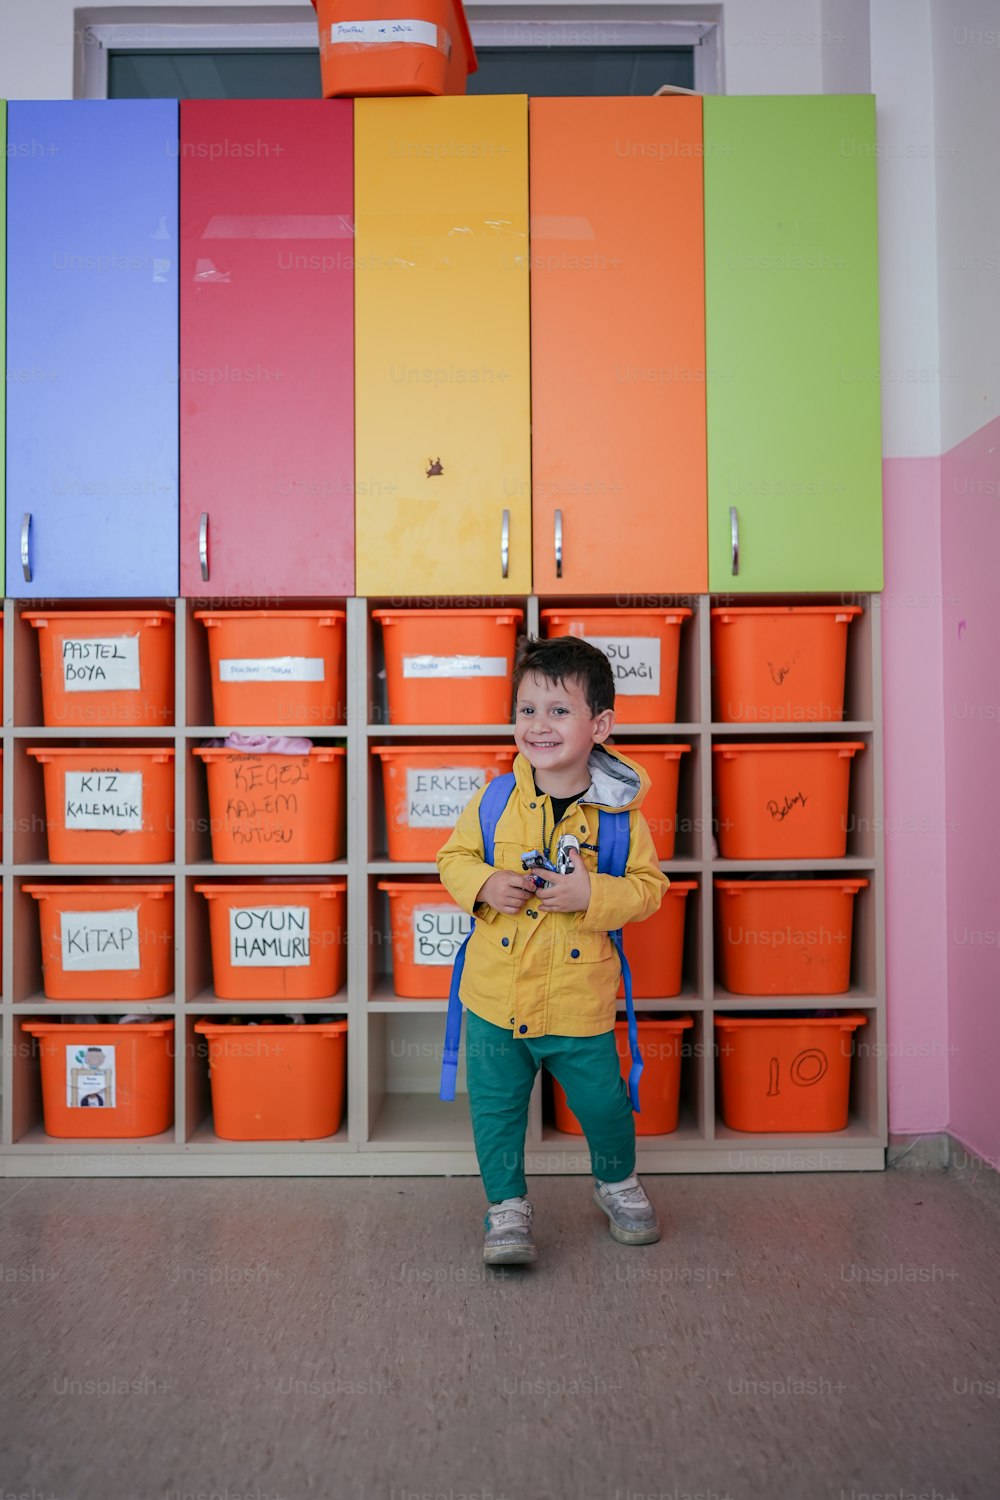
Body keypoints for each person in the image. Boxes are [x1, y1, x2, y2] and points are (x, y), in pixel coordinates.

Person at [437, 634, 669, 1266]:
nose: (538, 725)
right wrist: (484, 882)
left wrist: (592, 895)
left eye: (558, 711)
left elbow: (649, 890)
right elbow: (451, 859)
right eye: (526, 710)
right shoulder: (493, 801)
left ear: (601, 725)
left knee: (604, 1105)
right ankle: (506, 1206)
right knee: (496, 1113)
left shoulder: (622, 818)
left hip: (577, 1001)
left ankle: (617, 1181)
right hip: (493, 996)